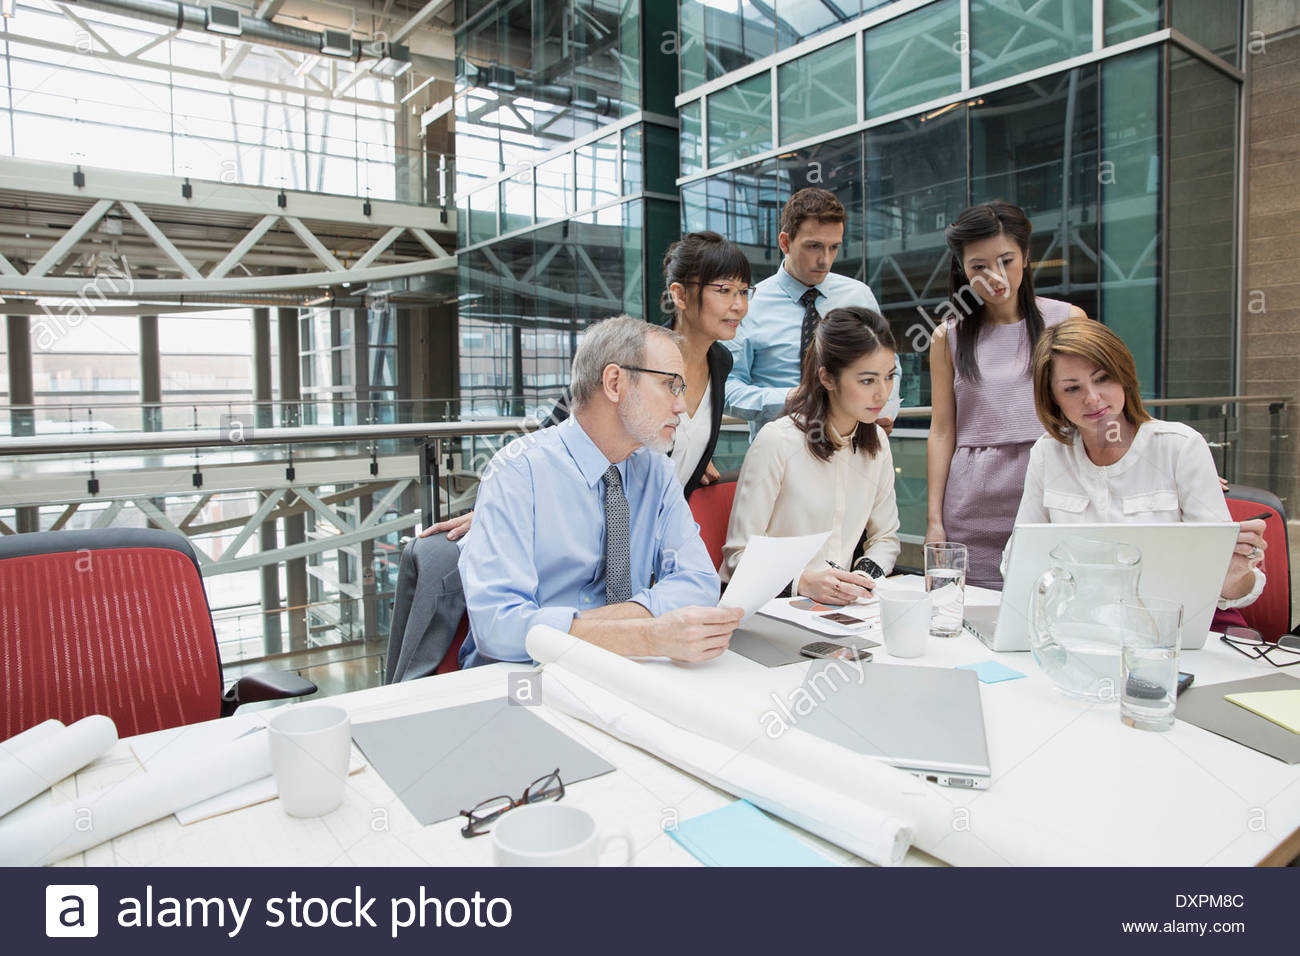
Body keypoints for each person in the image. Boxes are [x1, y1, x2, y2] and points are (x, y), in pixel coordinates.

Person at [424, 232, 750, 544]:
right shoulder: (635, 357)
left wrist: (691, 451)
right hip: (598, 535)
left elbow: (683, 442)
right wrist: (499, 504)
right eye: (724, 290)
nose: (738, 305)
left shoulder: (720, 363)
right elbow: (558, 430)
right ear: (679, 295)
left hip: (659, 538)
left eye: (744, 292)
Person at [457, 315, 744, 667]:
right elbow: (499, 628)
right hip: (524, 677)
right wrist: (646, 634)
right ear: (613, 383)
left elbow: (699, 582)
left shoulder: (656, 470)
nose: (681, 406)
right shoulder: (518, 472)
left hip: (622, 671)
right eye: (670, 385)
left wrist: (603, 631)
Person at [1011, 318, 1266, 615]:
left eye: (1103, 378)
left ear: (1123, 376)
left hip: (1170, 630)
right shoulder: (1048, 453)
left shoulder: (1180, 447)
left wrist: (1232, 573)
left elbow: (1228, 590)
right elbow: (1017, 560)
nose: (1093, 399)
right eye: (1072, 389)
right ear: (1053, 399)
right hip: (1076, 626)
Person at [925, 200, 1087, 588]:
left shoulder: (1066, 320)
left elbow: (1100, 405)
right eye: (978, 266)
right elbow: (942, 431)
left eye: (1006, 260)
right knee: (968, 619)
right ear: (962, 269)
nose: (994, 277)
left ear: (1027, 257)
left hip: (1053, 495)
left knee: (1052, 606)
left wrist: (1160, 458)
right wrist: (934, 520)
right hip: (971, 505)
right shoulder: (947, 337)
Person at [721, 307, 901, 605]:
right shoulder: (778, 441)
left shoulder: (876, 442)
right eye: (868, 381)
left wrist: (862, 580)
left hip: (840, 610)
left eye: (889, 377)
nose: (882, 394)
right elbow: (738, 557)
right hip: (772, 607)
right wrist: (803, 582)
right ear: (827, 378)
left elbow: (886, 538)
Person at [724, 187, 900, 439]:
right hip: (782, 455)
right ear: (785, 242)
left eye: (834, 247)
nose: (825, 260)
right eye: (814, 246)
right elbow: (728, 390)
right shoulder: (747, 304)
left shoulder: (859, 296)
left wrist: (887, 409)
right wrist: (790, 398)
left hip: (856, 448)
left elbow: (892, 366)